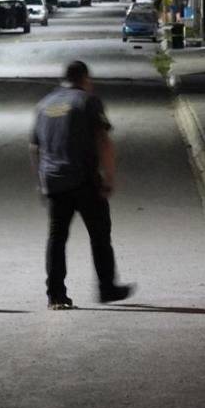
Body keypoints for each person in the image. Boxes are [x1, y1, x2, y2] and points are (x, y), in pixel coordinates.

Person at [29, 60, 134, 309]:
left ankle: (56, 294)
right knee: (100, 235)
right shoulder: (87, 101)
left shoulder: (44, 105)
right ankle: (107, 287)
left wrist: (41, 181)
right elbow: (103, 140)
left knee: (57, 238)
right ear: (85, 79)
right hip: (84, 180)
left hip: (54, 181)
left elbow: (34, 147)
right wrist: (109, 178)